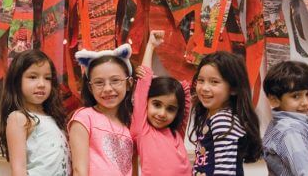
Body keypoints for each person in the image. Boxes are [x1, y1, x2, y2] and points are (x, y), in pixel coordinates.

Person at [0, 50, 71, 176]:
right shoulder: (19, 118)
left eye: (47, 78)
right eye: (32, 77)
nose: (42, 84)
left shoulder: (53, 117)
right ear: (16, 80)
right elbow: (18, 170)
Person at [189, 51, 262, 175]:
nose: (204, 88)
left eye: (214, 82)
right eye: (201, 80)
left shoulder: (222, 120)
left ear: (233, 89)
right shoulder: (210, 116)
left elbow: (225, 171)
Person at [131, 30, 192, 175]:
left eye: (171, 109)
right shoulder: (142, 129)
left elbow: (186, 97)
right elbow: (143, 86)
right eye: (157, 104)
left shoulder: (176, 132)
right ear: (146, 103)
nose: (162, 113)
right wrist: (151, 45)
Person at [69, 44, 135, 176]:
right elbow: (79, 170)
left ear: (129, 83)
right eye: (99, 82)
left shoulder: (128, 122)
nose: (107, 88)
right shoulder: (84, 118)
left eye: (115, 80)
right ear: (90, 87)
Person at [262, 60, 308, 176]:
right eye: (296, 96)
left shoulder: (283, 125)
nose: (306, 102)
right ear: (274, 99)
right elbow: (305, 172)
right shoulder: (291, 131)